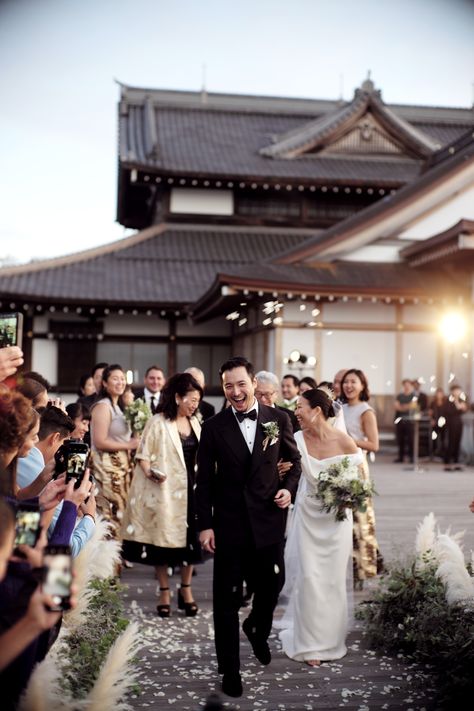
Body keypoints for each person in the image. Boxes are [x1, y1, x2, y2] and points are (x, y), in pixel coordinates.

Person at [196, 356, 301, 698]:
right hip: (229, 526)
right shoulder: (213, 427)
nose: (236, 391)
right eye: (228, 385)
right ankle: (230, 669)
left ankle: (257, 626)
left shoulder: (278, 418)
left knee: (272, 586)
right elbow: (204, 483)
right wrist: (205, 526)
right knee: (226, 603)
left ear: (254, 383)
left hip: (269, 522)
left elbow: (295, 463)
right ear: (223, 388)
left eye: (241, 383)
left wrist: (288, 489)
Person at [277, 388, 361, 666]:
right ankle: (308, 644)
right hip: (308, 517)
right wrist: (280, 472)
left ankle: (331, 640)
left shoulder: (346, 442)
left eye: (299, 406)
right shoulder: (296, 440)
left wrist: (347, 497)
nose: (296, 412)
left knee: (332, 581)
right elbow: (285, 470)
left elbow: (358, 485)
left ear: (316, 411)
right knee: (309, 579)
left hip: (336, 522)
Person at [122, 372, 203, 616]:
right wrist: (151, 473)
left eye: (198, 400)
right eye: (192, 400)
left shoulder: (196, 422)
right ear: (178, 397)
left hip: (192, 489)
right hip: (165, 491)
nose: (195, 405)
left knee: (190, 542)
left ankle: (186, 589)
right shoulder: (157, 422)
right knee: (162, 542)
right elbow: (143, 457)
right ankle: (165, 590)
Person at [341, 368, 382, 587]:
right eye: (346, 382)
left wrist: (347, 440)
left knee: (361, 519)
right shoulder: (341, 408)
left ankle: (364, 571)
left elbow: (374, 444)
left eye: (353, 382)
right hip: (339, 466)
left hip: (357, 466)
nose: (349, 386)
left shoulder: (366, 411)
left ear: (363, 386)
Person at [89, 364, 138, 537]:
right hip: (106, 468)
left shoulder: (119, 406)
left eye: (123, 378)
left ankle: (116, 557)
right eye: (115, 378)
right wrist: (129, 445)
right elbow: (99, 441)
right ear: (104, 383)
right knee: (109, 512)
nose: (120, 382)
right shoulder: (103, 406)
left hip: (121, 467)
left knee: (121, 512)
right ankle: (106, 559)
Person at [444, 384, 468, 471]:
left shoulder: (462, 399)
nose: (458, 392)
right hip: (451, 423)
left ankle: (456, 461)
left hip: (459, 422)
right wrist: (458, 405)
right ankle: (448, 462)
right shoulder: (448, 400)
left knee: (458, 441)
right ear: (452, 391)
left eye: (459, 390)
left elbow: (464, 409)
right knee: (451, 442)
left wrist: (460, 406)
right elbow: (449, 411)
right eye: (456, 390)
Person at [394, 379, 416, 463]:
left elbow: (413, 406)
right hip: (400, 420)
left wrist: (402, 406)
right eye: (405, 385)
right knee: (400, 439)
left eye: (408, 385)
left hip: (410, 421)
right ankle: (401, 457)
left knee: (411, 439)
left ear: (411, 386)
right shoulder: (400, 396)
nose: (406, 387)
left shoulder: (414, 396)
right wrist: (406, 406)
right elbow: (396, 406)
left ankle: (412, 457)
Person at [429, 387, 448, 460]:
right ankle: (434, 452)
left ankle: (442, 453)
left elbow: (447, 413)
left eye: (440, 393)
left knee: (443, 438)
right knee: (434, 437)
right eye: (438, 393)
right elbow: (430, 413)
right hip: (435, 422)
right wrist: (432, 420)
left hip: (443, 423)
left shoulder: (446, 403)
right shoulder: (433, 403)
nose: (439, 395)